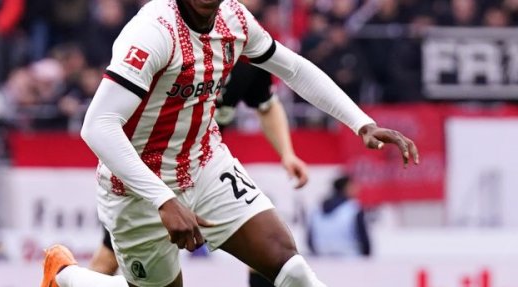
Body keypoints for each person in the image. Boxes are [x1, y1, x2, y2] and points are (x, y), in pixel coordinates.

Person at [40, 0, 420, 286]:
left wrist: (361, 123)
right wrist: (164, 199)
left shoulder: (235, 20)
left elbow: (293, 68)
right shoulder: (154, 32)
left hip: (205, 164)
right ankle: (66, 275)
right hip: (137, 187)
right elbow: (97, 126)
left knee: (291, 266)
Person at [84, 61, 309, 287]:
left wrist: (287, 153)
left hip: (205, 176)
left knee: (265, 249)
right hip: (149, 180)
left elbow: (267, 104)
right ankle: (67, 276)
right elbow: (104, 120)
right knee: (108, 261)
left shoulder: (247, 57)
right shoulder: (173, 48)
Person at [307, 175, 371, 258]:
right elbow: (365, 243)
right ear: (347, 187)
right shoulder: (354, 209)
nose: (357, 189)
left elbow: (310, 241)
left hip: (322, 262)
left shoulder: (316, 209)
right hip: (351, 262)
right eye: (354, 186)